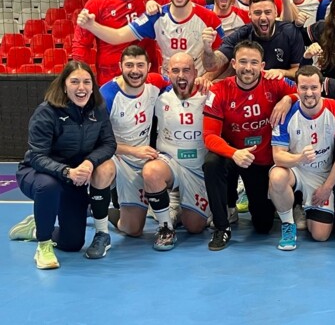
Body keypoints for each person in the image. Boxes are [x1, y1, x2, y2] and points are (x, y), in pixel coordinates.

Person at [9, 61, 116, 269]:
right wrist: (66, 171)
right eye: (74, 81)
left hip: (73, 177)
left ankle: (35, 227)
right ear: (64, 86)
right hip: (38, 172)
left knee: (73, 243)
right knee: (49, 186)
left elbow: (108, 143)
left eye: (86, 82)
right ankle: (43, 244)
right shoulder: (46, 112)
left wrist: (89, 162)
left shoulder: (98, 109)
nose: (81, 87)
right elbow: (38, 156)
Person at [202, 41, 295, 251]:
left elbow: (305, 93)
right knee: (212, 163)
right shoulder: (219, 90)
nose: (248, 68)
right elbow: (209, 136)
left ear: (262, 66)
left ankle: (250, 199)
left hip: (260, 160)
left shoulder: (274, 83)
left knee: (263, 225)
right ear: (233, 64)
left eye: (254, 63)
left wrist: (288, 98)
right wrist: (234, 152)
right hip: (233, 154)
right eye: (243, 62)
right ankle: (222, 225)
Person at [76, 0, 224, 76]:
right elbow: (118, 36)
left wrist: (208, 77)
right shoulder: (155, 17)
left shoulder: (209, 18)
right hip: (167, 87)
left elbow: (223, 58)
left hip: (198, 85)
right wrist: (92, 25)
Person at [269, 66, 335, 250]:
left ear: (321, 87)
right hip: (296, 170)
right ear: (296, 89)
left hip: (321, 174)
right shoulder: (285, 114)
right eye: (304, 88)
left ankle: (302, 207)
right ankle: (288, 224)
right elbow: (278, 157)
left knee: (320, 236)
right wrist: (300, 158)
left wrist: (327, 187)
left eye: (314, 87)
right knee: (277, 176)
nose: (309, 93)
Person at [95, 46, 169, 240]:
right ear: (120, 66)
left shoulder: (156, 82)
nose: (135, 71)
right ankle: (96, 211)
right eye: (129, 65)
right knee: (102, 170)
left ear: (149, 67)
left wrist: (203, 82)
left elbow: (179, 85)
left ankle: (95, 207)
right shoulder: (107, 95)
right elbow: (96, 140)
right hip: (117, 155)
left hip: (140, 159)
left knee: (133, 230)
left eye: (139, 65)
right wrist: (133, 151)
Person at [140, 53, 211, 251]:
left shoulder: (209, 94)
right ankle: (165, 227)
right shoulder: (157, 95)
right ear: (167, 73)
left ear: (196, 73)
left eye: (186, 70)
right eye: (176, 70)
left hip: (197, 168)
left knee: (195, 227)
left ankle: (177, 204)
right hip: (169, 160)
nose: (181, 75)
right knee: (151, 171)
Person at [73, 0, 168, 85]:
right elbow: (81, 44)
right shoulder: (96, 3)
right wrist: (79, 76)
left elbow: (184, 6)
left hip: (147, 80)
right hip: (111, 80)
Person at [206, 0, 304, 81]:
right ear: (249, 14)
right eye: (257, 13)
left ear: (275, 13)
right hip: (250, 86)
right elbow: (211, 65)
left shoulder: (290, 32)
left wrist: (282, 72)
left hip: (281, 87)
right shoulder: (242, 34)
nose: (263, 18)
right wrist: (207, 49)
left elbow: (299, 70)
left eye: (267, 12)